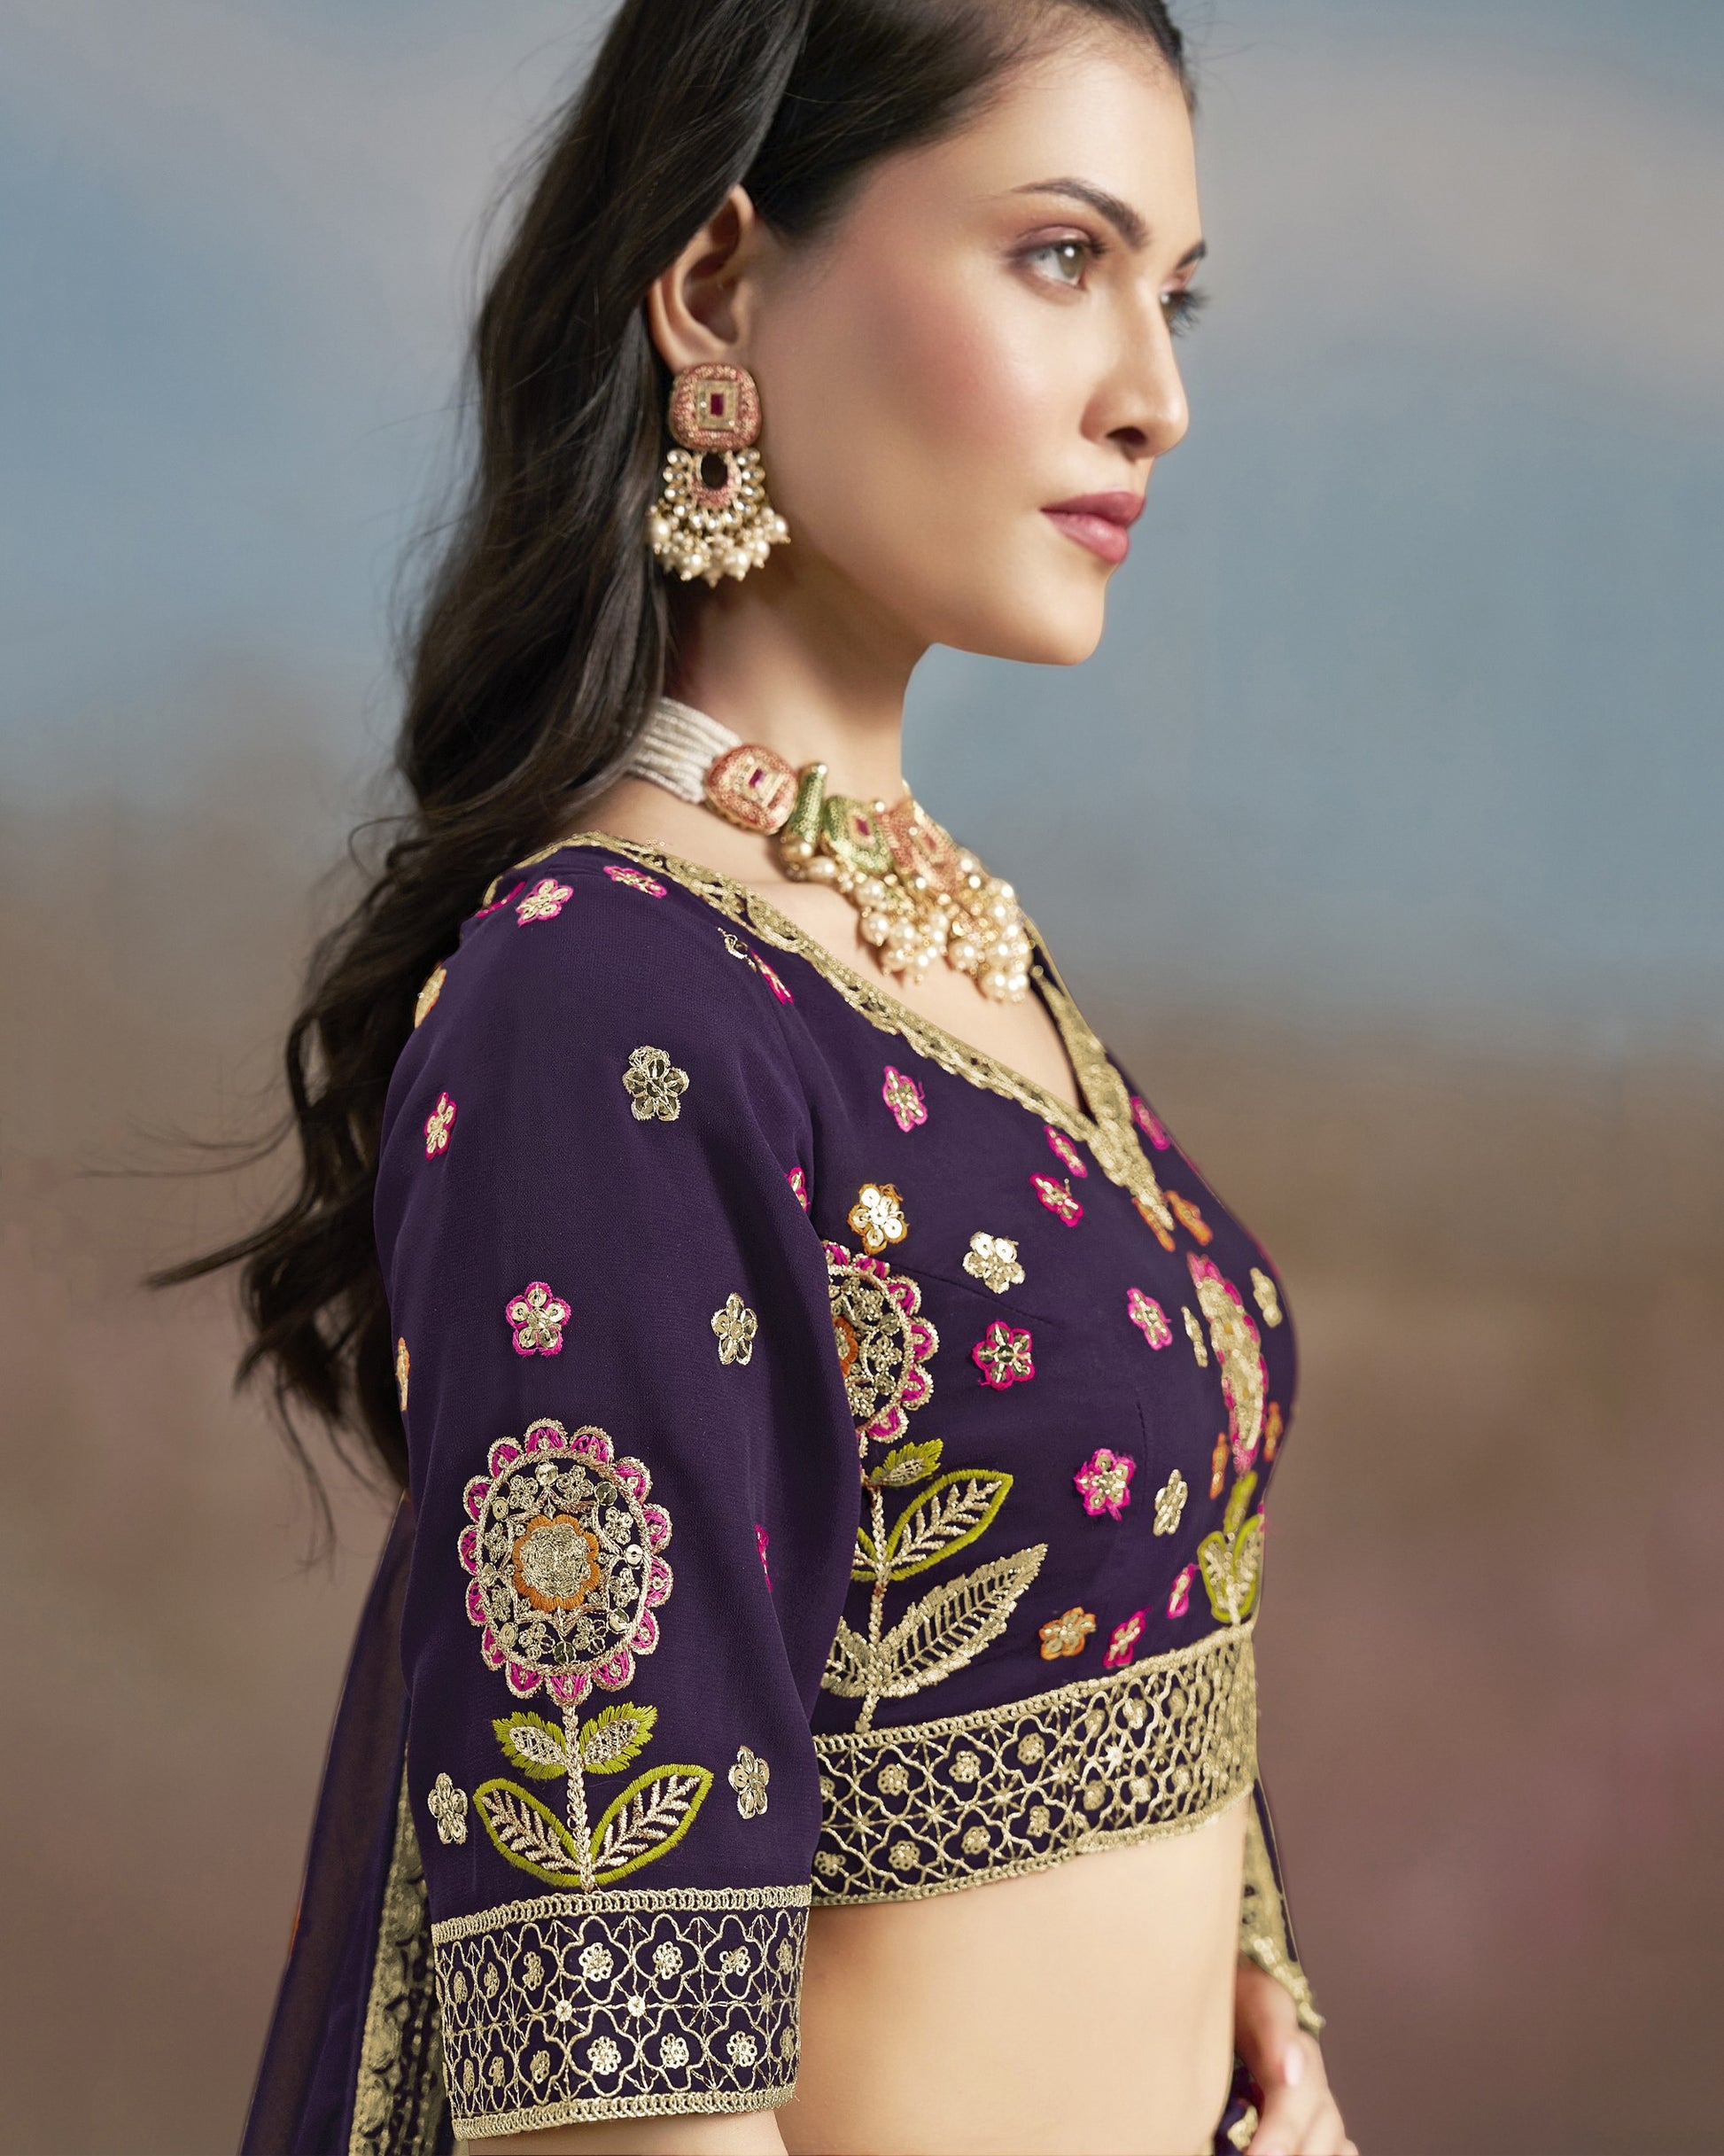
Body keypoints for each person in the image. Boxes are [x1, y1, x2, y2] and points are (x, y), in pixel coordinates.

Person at [184, 1, 1354, 2149]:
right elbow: (614, 2045)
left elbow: (1107, 1592)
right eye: (1060, 257)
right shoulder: (608, 999)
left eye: (1169, 296)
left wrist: (1253, 2004)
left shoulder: (948, 947)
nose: (1156, 396)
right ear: (720, 286)